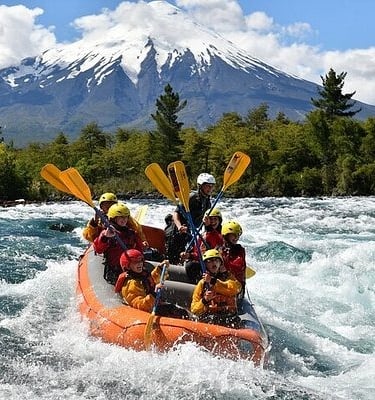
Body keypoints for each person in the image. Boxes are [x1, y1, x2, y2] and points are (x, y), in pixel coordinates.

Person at [117, 249, 189, 319]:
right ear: (127, 266)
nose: (139, 263)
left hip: (152, 304)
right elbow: (139, 305)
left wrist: (160, 269)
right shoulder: (131, 284)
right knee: (173, 312)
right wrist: (153, 295)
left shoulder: (141, 275)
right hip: (144, 311)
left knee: (180, 311)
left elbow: (152, 280)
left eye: (140, 261)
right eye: (135, 262)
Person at [165, 173, 216, 264]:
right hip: (176, 229)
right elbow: (176, 213)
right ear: (200, 186)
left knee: (189, 251)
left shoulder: (207, 202)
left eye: (211, 186)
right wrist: (179, 226)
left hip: (188, 231)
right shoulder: (191, 197)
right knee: (173, 255)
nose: (210, 189)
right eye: (207, 186)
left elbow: (203, 222)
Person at [93, 202, 144, 284]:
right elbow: (98, 250)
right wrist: (106, 237)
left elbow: (139, 250)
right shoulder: (106, 233)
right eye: (121, 217)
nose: (124, 220)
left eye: (125, 217)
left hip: (130, 267)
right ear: (113, 218)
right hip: (114, 269)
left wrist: (139, 262)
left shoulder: (131, 233)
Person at [190, 249, 242, 327]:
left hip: (229, 317)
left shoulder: (229, 278)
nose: (213, 263)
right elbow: (194, 309)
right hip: (210, 318)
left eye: (216, 260)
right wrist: (204, 300)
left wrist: (213, 281)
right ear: (205, 265)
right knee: (210, 319)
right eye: (209, 261)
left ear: (220, 263)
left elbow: (235, 289)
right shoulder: (202, 283)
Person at [181, 208, 224, 283]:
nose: (213, 221)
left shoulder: (221, 235)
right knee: (190, 265)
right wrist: (189, 255)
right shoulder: (203, 235)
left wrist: (208, 227)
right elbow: (198, 253)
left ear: (219, 221)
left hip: (216, 266)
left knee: (192, 266)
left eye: (215, 219)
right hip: (205, 263)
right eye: (210, 219)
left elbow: (216, 238)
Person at [221, 221, 246, 300]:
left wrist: (225, 265)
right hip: (222, 282)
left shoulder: (240, 250)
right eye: (234, 235)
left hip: (236, 285)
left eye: (238, 235)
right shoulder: (219, 249)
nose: (236, 238)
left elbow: (239, 266)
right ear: (226, 236)